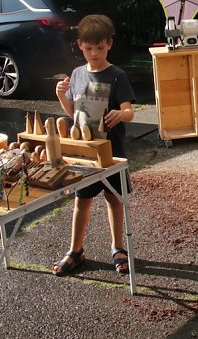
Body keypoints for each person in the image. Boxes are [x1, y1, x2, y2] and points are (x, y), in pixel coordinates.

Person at [52, 14, 136, 276]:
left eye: (100, 48)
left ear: (109, 44)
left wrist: (120, 115)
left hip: (112, 152)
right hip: (85, 154)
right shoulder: (76, 75)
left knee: (114, 199)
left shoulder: (117, 75)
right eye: (89, 48)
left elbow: (130, 111)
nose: (94, 53)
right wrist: (60, 96)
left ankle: (118, 247)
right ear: (80, 45)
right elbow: (73, 113)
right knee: (82, 201)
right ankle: (75, 250)